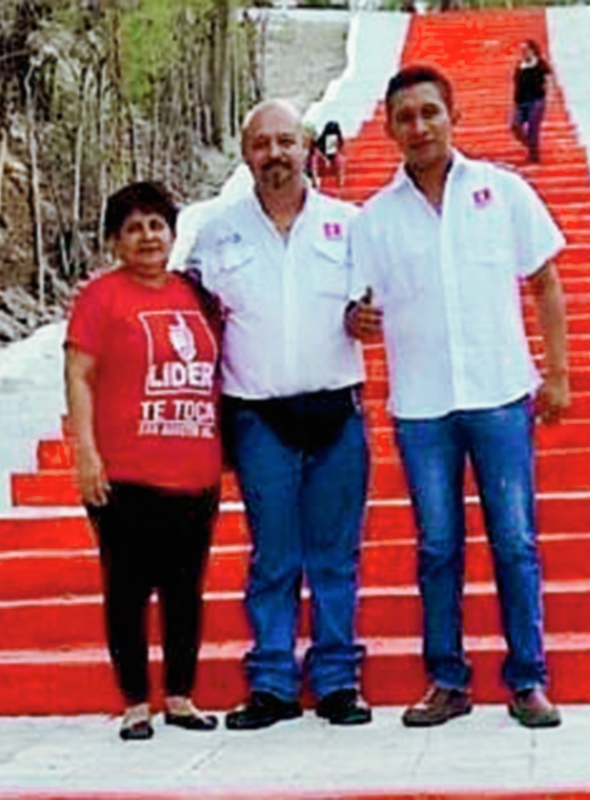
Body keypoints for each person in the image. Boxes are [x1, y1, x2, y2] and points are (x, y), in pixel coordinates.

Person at [348, 65, 570, 729]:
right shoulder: (374, 221)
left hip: (501, 395)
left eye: (429, 113)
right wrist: (356, 323)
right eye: (405, 117)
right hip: (421, 408)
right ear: (389, 129)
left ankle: (527, 680)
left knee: (514, 539)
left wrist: (556, 373)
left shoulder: (503, 193)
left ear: (453, 117)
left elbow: (547, 282)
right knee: (437, 546)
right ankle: (447, 680)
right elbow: (359, 309)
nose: (418, 127)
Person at [184, 99, 372, 730]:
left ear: (307, 147)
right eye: (261, 144)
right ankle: (271, 684)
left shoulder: (350, 226)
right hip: (259, 417)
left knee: (336, 556)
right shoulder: (217, 232)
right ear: (246, 155)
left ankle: (340, 680)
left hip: (337, 414)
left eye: (286, 141)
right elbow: (190, 315)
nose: (275, 155)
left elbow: (374, 305)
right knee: (273, 555)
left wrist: (363, 320)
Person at [65, 181, 223, 741]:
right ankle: (135, 702)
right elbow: (79, 376)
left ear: (172, 234)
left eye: (156, 225)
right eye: (133, 228)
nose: (147, 236)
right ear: (114, 241)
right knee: (128, 589)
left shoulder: (194, 295)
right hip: (127, 474)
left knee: (186, 588)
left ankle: (180, 695)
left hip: (197, 470)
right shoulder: (100, 297)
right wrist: (85, 453)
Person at [511, 40, 551, 164]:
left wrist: (545, 94)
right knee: (515, 125)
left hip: (536, 99)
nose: (524, 53)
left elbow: (547, 79)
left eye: (526, 50)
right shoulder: (519, 66)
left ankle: (534, 155)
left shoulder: (540, 64)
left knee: (533, 128)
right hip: (521, 101)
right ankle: (531, 145)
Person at [308, 120, 347, 191]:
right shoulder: (322, 139)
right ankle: (315, 181)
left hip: (332, 156)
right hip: (321, 156)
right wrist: (325, 159)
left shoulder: (337, 139)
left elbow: (337, 150)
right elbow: (318, 150)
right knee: (314, 159)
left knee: (340, 160)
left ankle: (340, 182)